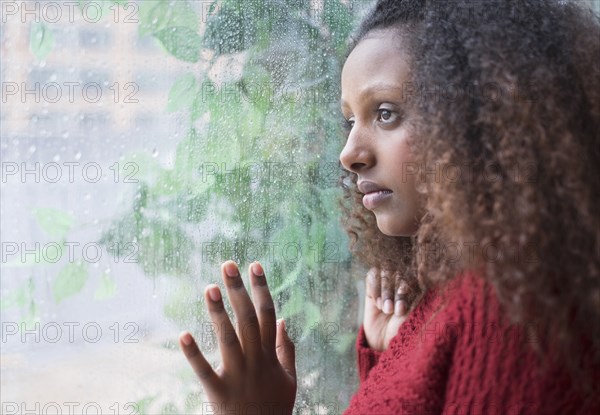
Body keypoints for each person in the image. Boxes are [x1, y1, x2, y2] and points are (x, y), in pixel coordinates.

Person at [178, 0, 600, 413]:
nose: (349, 153)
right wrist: (387, 356)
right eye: (350, 121)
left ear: (483, 117)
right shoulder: (458, 290)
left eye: (384, 113)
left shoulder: (509, 305)